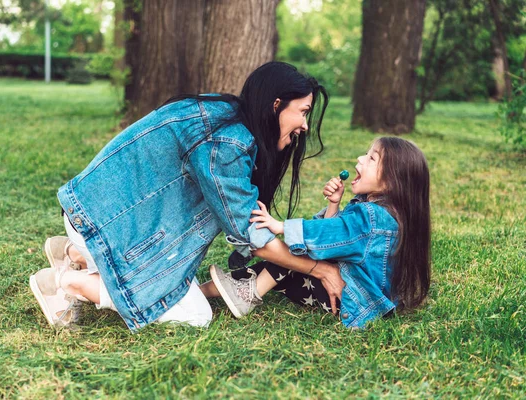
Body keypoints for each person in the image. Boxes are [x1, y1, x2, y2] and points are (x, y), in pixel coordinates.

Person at [29, 61, 344, 330]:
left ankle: (78, 253)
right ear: (276, 104)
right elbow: (252, 236)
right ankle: (67, 283)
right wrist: (321, 269)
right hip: (104, 223)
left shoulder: (223, 114)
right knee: (195, 315)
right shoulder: (228, 145)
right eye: (302, 111)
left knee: (182, 289)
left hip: (93, 212)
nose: (304, 125)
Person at [202, 137, 431, 329]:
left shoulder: (374, 218)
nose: (360, 159)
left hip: (349, 299)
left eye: (371, 158)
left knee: (294, 254)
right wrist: (334, 205)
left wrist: (281, 227)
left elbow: (326, 238)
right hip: (354, 292)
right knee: (288, 260)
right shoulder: (383, 214)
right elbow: (340, 241)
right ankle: (208, 292)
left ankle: (243, 293)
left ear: (392, 181)